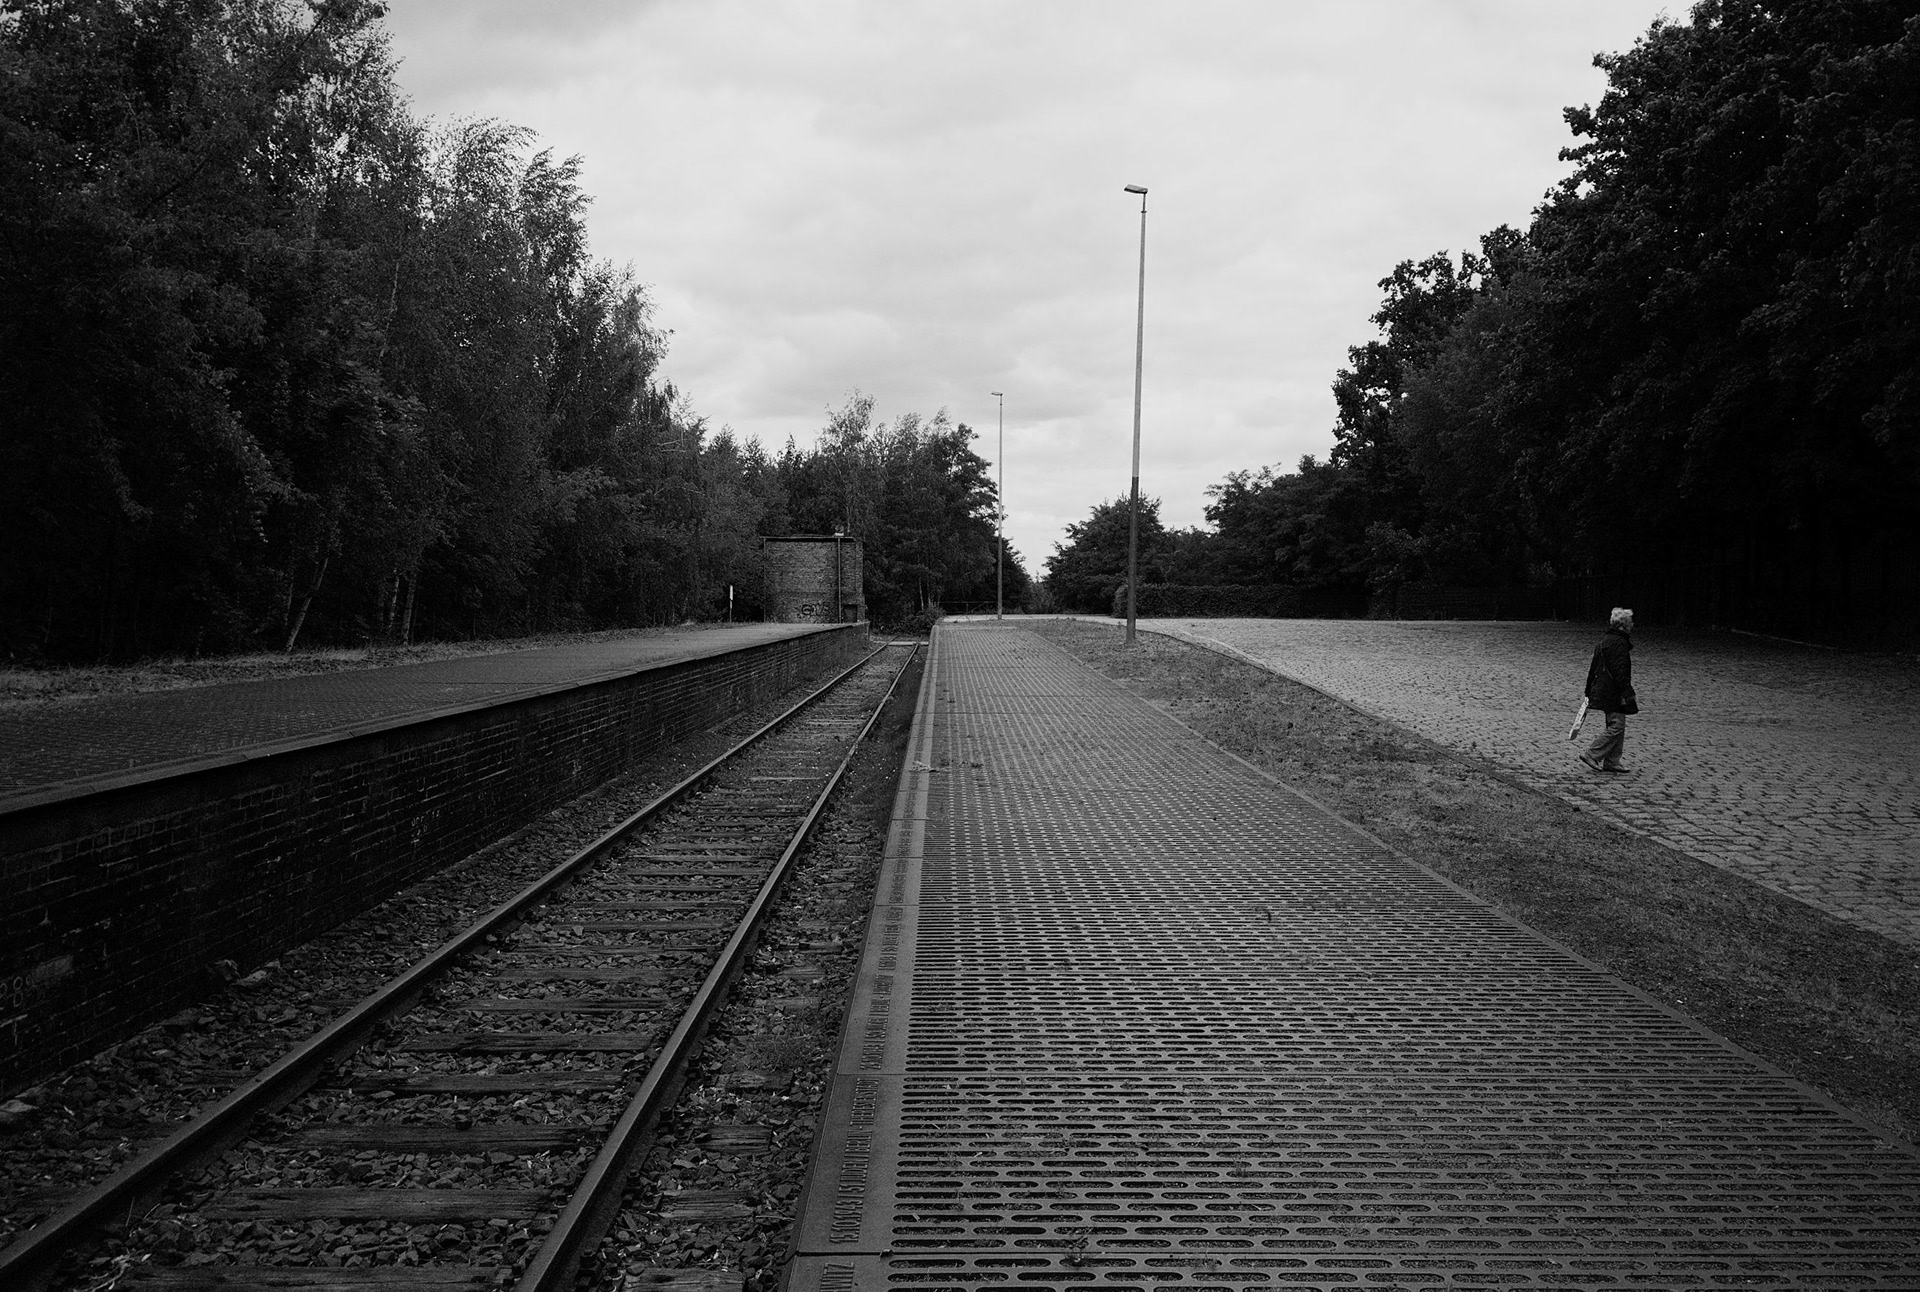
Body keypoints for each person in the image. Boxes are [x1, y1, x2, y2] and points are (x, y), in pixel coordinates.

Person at [1579, 607, 1637, 774]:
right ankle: (1593, 753)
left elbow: (1593, 668)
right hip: (1613, 690)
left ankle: (1612, 761)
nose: (1632, 625)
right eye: (1630, 622)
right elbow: (1620, 670)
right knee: (1616, 725)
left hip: (1603, 688)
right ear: (1623, 625)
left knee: (1618, 723)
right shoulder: (1620, 643)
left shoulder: (1605, 641)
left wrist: (1588, 690)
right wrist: (1627, 691)